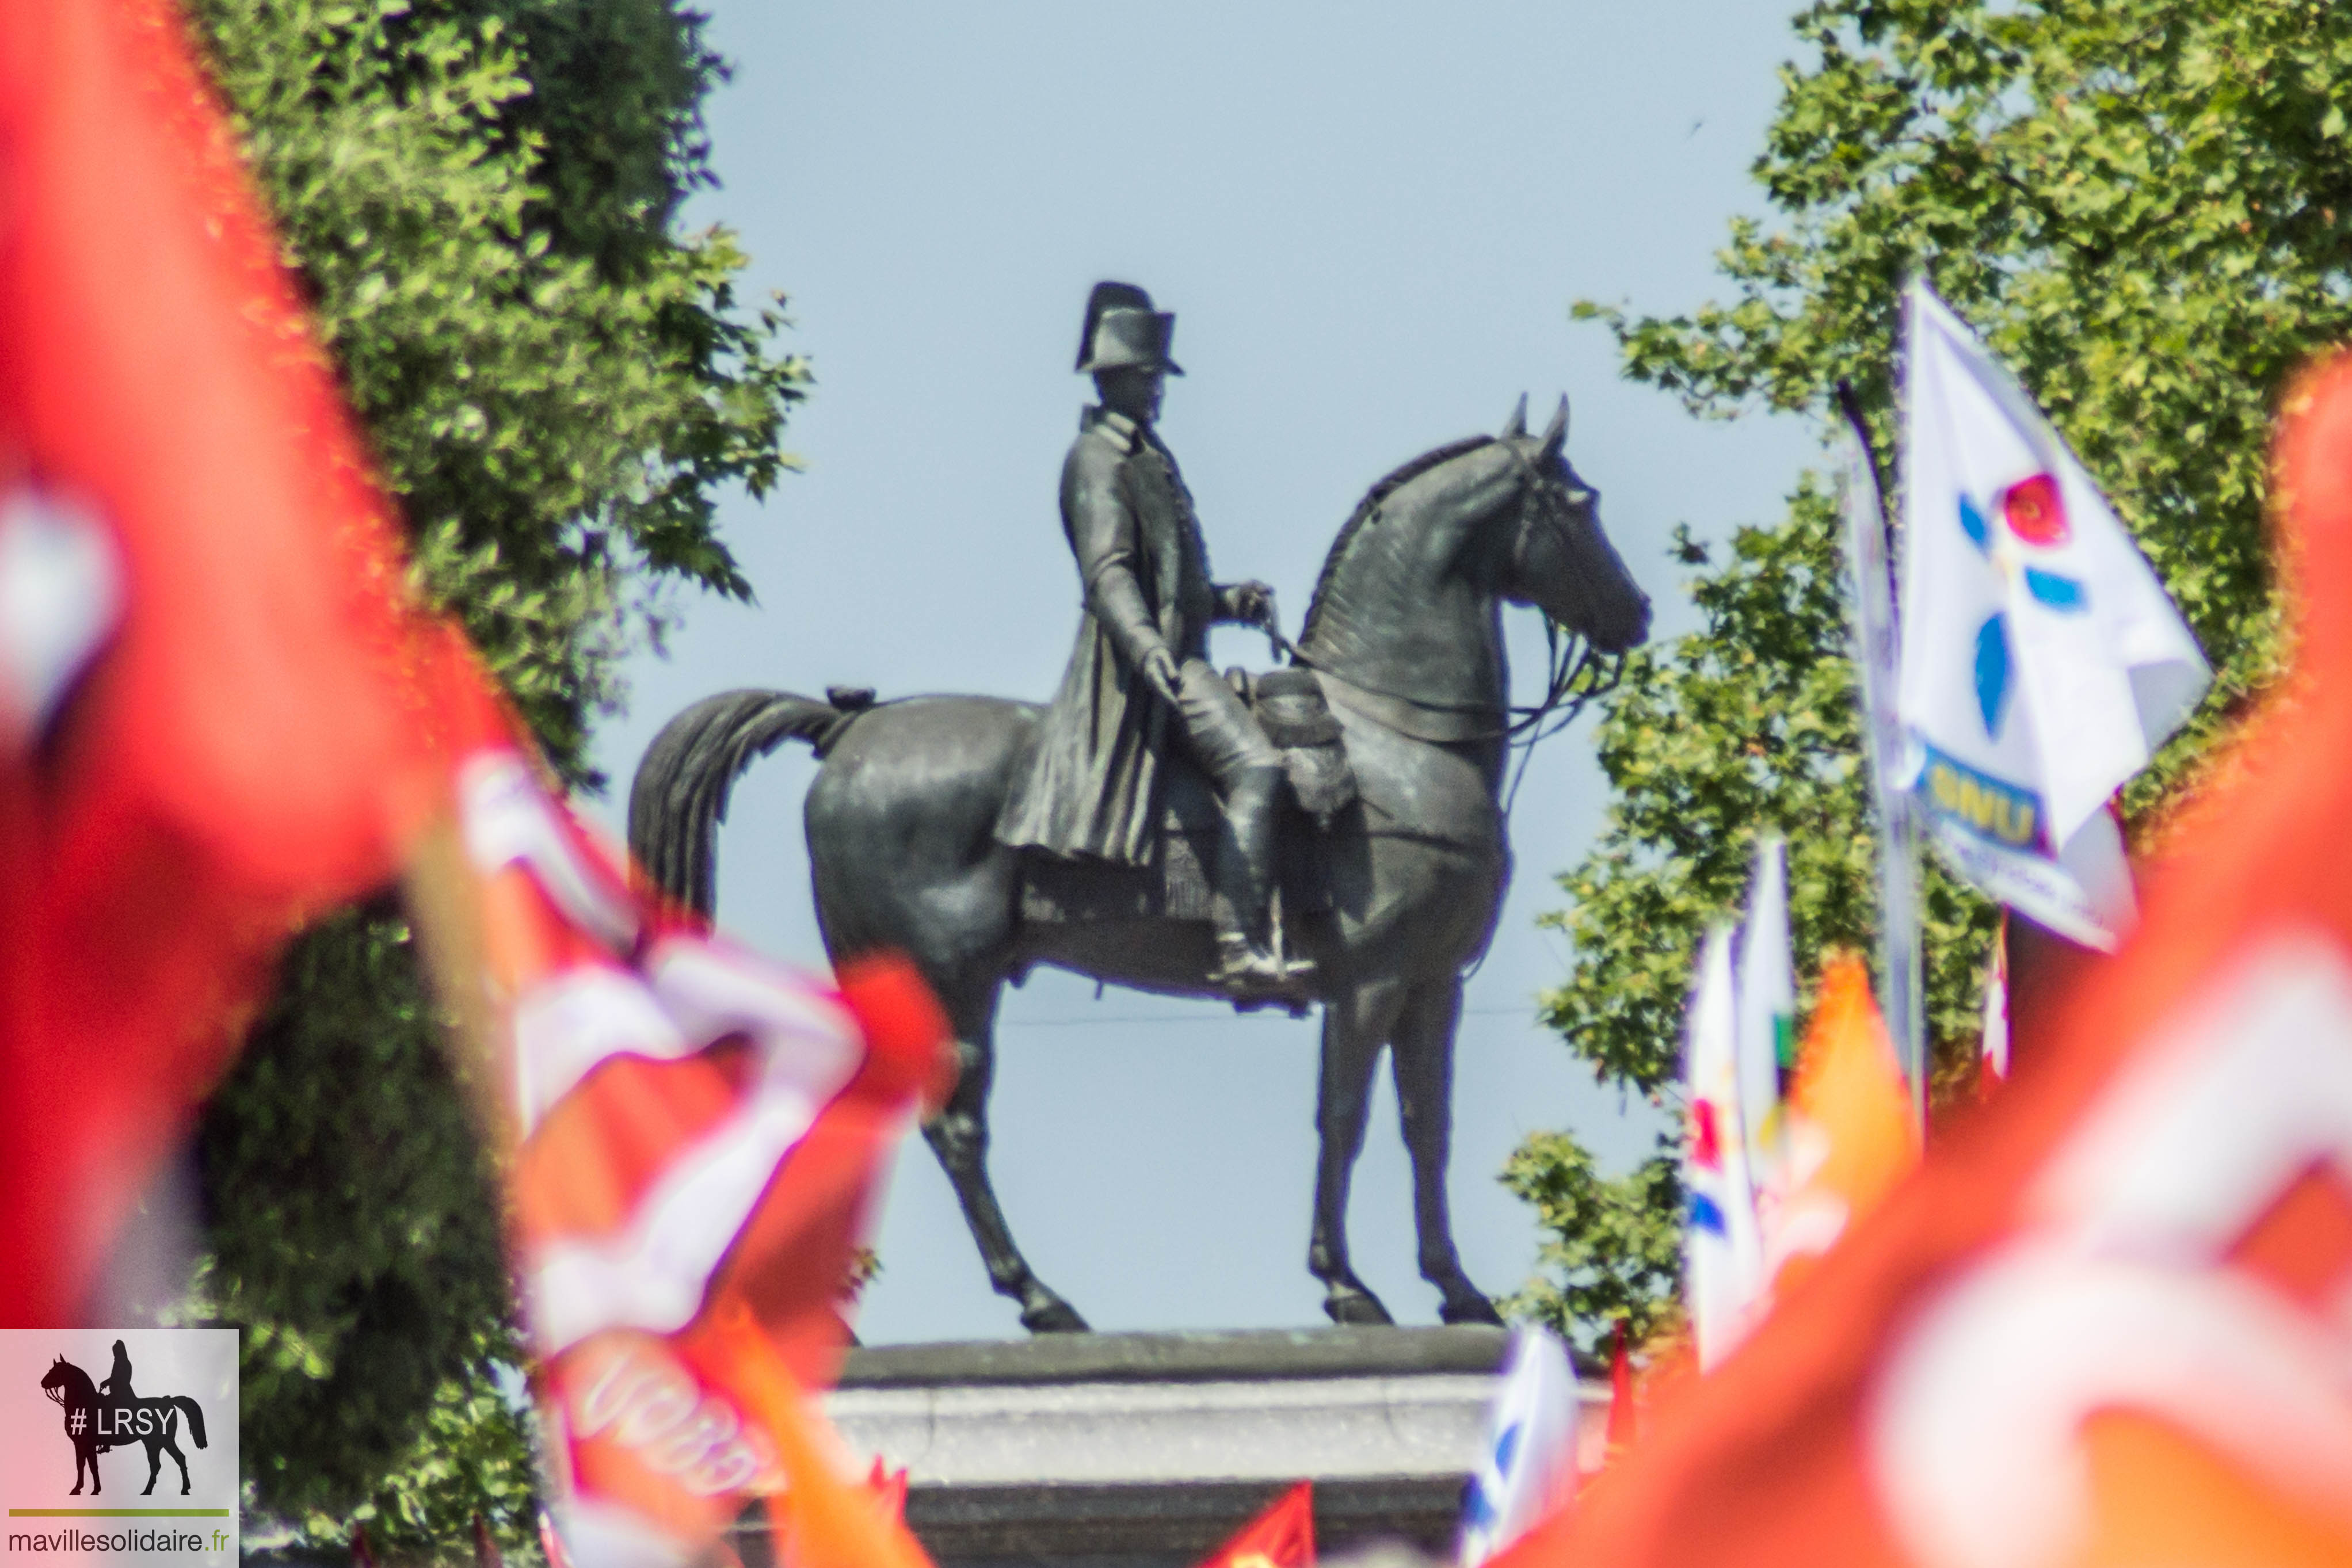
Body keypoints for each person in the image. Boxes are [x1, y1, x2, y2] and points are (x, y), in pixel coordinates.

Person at [997, 281, 1312, 999]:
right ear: (1112, 378)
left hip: (1174, 651)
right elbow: (1109, 575)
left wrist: (1232, 600)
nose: (1158, 391)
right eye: (1147, 377)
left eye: (1159, 378)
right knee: (1259, 770)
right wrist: (1149, 652)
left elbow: (1175, 585)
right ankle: (1240, 946)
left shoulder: (1150, 455)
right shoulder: (1096, 460)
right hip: (1142, 668)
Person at [100, 1339, 135, 1403]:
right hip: (117, 1393)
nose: (115, 1356)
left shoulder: (122, 1362)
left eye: (116, 1353)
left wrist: (106, 1382)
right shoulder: (122, 1362)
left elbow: (116, 1378)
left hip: (121, 1394)